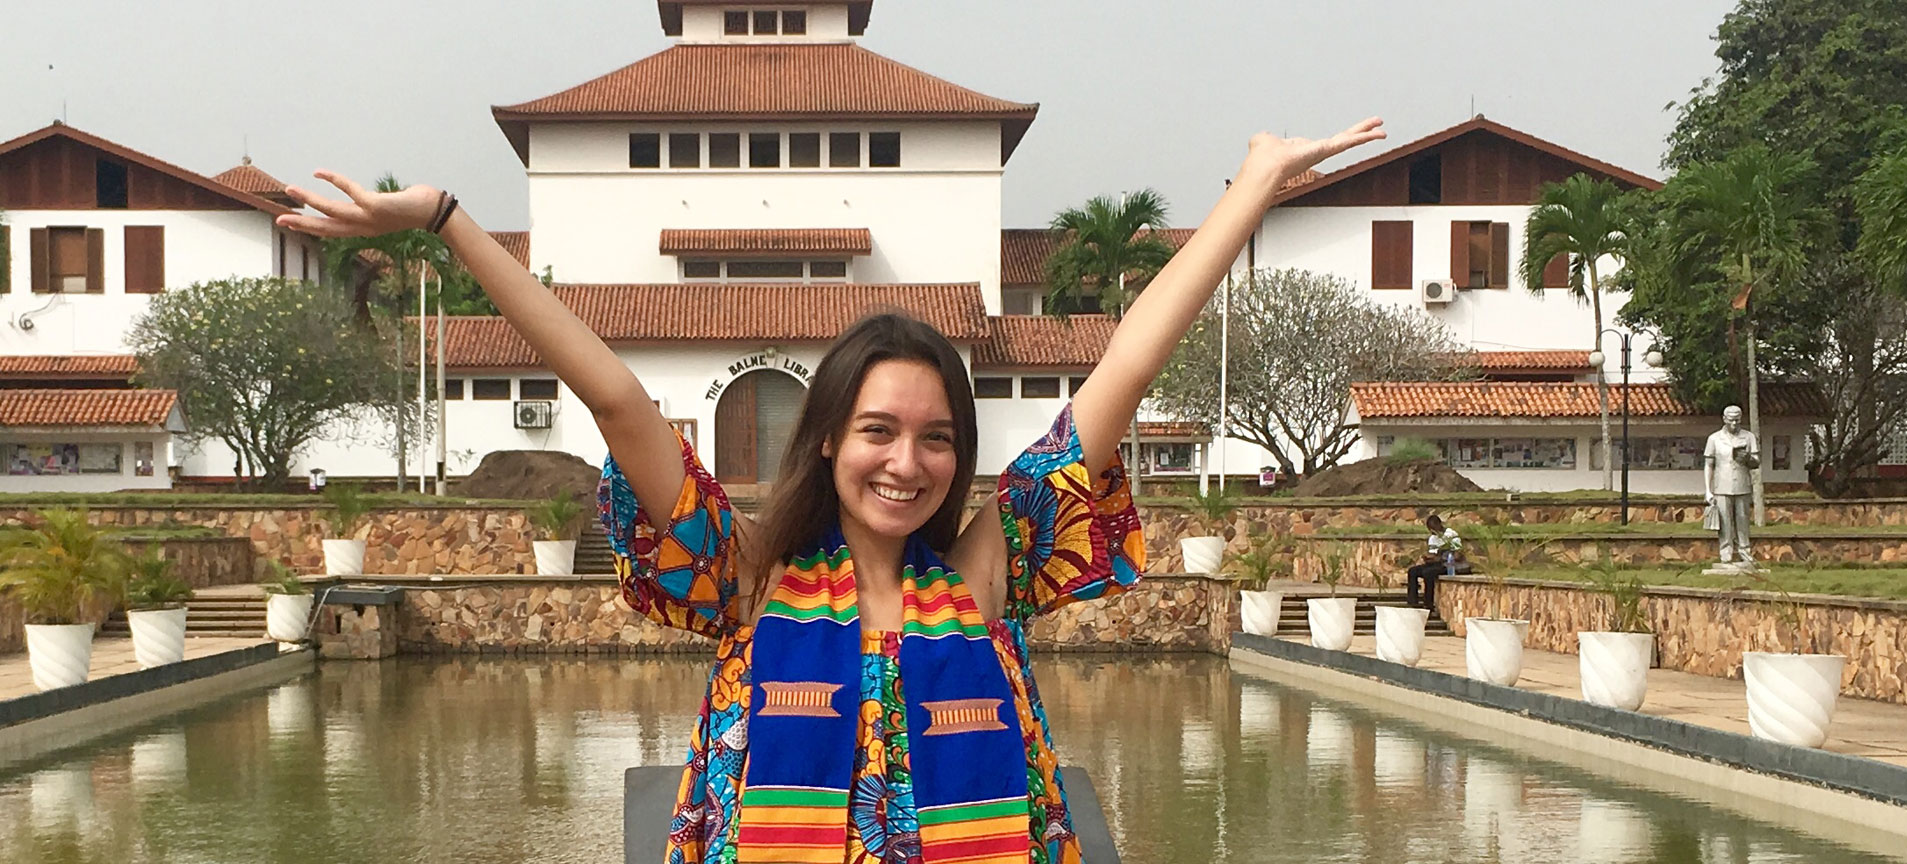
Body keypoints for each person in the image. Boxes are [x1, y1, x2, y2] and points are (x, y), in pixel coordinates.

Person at [277, 117, 1384, 864]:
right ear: (827, 441)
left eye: (937, 437)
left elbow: (1126, 367)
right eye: (879, 430)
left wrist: (1250, 189)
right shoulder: (747, 574)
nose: (908, 461)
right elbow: (616, 395)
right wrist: (447, 218)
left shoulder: (987, 569)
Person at [1701, 405, 1759, 566]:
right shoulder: (1714, 439)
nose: (1734, 424)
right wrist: (1708, 490)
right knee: (1724, 522)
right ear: (1724, 419)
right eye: (1731, 420)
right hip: (1721, 486)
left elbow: (1756, 462)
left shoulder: (1748, 437)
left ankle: (1744, 551)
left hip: (1742, 484)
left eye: (1737, 420)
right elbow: (1709, 465)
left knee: (1742, 520)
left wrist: (1747, 458)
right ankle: (1725, 552)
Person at [1404, 514, 1462, 608]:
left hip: (1447, 564)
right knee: (1413, 571)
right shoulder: (1432, 538)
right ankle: (1412, 601)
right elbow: (1433, 554)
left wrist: (1442, 558)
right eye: (1430, 529)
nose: (1432, 531)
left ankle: (1428, 603)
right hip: (1435, 563)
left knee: (1428, 573)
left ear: (1439, 525)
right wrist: (1428, 558)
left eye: (1434, 528)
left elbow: (1457, 555)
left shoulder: (1451, 535)